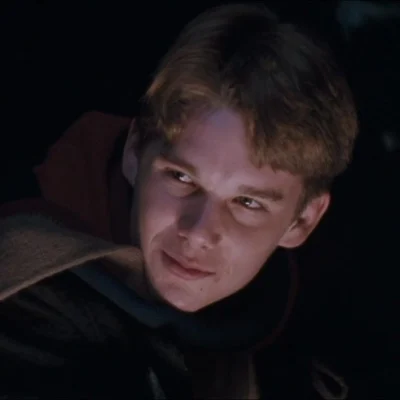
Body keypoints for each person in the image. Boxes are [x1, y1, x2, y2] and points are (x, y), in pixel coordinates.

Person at [0, 3, 358, 399]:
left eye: (247, 203)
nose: (199, 232)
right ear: (135, 152)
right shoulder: (26, 307)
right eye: (182, 178)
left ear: (302, 221)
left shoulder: (309, 339)